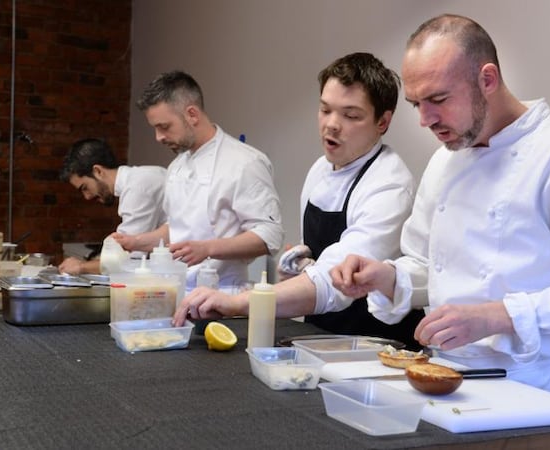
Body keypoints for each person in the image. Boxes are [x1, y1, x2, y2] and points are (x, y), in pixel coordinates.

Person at [329, 14, 550, 428]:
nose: (425, 119)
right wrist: (386, 277)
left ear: (487, 79)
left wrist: (498, 317)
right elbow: (432, 266)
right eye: (416, 104)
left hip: (545, 396)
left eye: (438, 99)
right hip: (454, 390)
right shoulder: (444, 161)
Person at [172, 52, 420, 345]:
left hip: (373, 341)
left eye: (351, 115)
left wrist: (238, 303)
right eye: (325, 110)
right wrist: (299, 265)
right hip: (320, 331)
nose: (332, 125)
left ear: (383, 122)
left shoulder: (389, 184)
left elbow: (335, 281)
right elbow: (318, 265)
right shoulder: (320, 169)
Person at [113, 71, 284, 291]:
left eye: (164, 127)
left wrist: (207, 249)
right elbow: (176, 229)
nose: (159, 137)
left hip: (224, 293)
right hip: (178, 291)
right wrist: (134, 242)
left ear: (192, 114)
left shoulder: (244, 162)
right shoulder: (177, 167)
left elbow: (269, 235)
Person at [58, 138, 166, 275]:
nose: (87, 197)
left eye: (85, 188)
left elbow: (128, 260)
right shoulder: (143, 176)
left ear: (98, 171)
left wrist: (81, 267)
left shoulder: (137, 187)